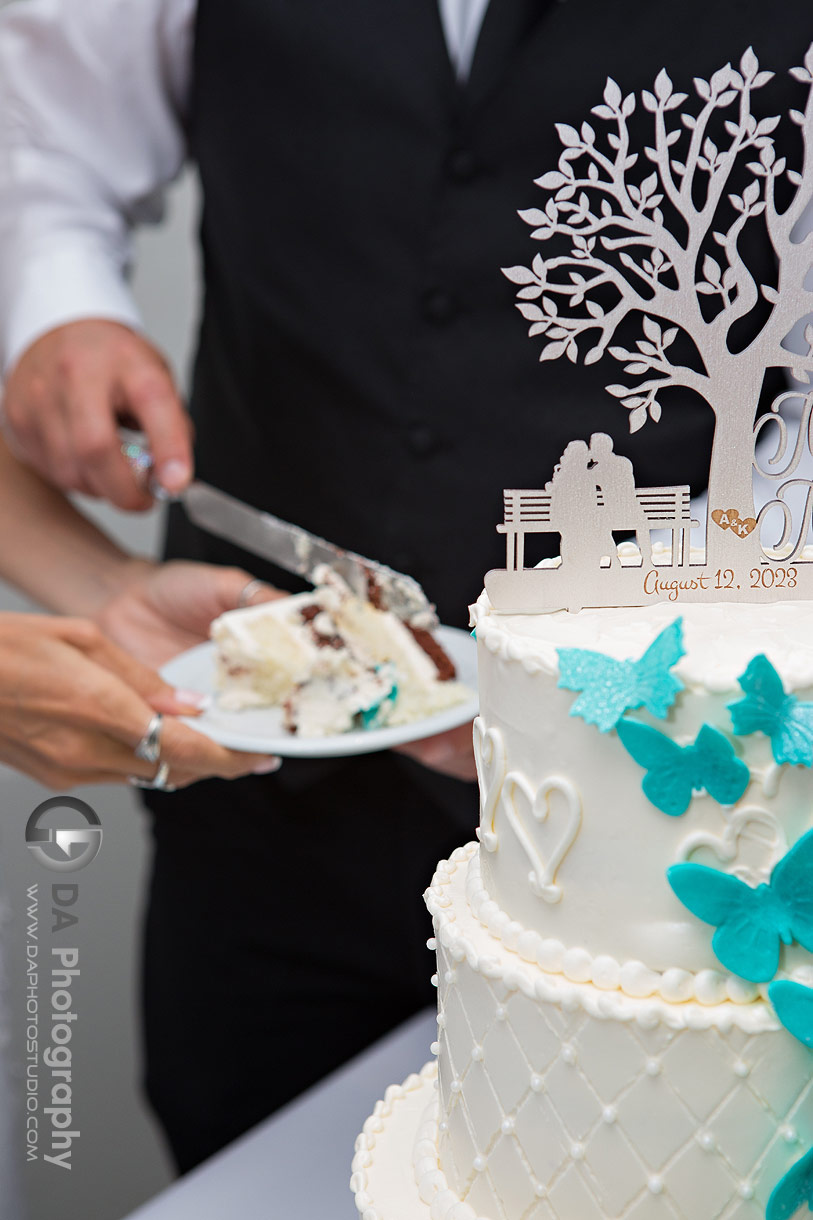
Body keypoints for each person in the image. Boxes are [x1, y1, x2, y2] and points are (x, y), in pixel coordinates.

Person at [0, 0, 806, 1173]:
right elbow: (49, 139)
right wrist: (58, 304)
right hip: (250, 798)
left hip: (640, 841)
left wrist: (628, 671)